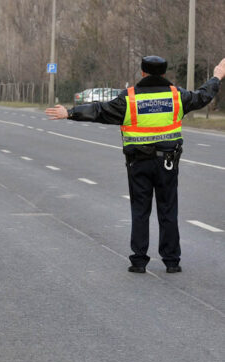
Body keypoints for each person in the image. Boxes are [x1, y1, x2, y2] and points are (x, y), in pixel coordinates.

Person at [45, 56, 225, 274]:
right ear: (164, 73)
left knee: (140, 211)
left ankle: (139, 261)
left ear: (142, 73)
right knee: (168, 210)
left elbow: (101, 110)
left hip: (138, 164)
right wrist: (216, 76)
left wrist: (71, 112)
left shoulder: (129, 99)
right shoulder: (177, 96)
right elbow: (202, 96)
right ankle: (172, 261)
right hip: (167, 163)